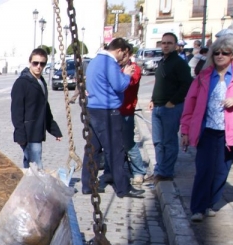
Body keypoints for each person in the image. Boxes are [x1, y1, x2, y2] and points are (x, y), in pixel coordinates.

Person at [180, 35, 233, 221]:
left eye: (225, 53)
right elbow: (190, 103)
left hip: (230, 132)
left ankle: (212, 202)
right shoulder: (204, 76)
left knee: (221, 171)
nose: (220, 56)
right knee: (204, 169)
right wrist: (186, 130)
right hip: (207, 130)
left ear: (232, 55)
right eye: (217, 52)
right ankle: (198, 208)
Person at [83, 38, 144, 198]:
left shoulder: (95, 61)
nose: (124, 58)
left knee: (93, 149)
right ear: (120, 50)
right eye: (124, 54)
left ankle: (88, 184)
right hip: (107, 111)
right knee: (115, 151)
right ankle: (123, 187)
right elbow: (120, 85)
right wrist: (126, 75)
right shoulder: (109, 63)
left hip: (93, 109)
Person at [149, 33, 193, 181]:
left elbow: (186, 84)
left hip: (171, 108)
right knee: (158, 141)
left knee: (169, 141)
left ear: (175, 45)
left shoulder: (179, 63)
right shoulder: (162, 62)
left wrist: (173, 101)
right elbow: (159, 83)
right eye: (163, 43)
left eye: (169, 43)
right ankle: (159, 169)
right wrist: (152, 99)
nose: (166, 45)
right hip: (157, 107)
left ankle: (166, 172)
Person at [10, 48, 62, 170]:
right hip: (29, 133)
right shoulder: (21, 83)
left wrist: (54, 130)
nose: (38, 66)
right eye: (35, 63)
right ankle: (37, 189)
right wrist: (20, 134)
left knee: (30, 167)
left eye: (42, 64)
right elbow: (16, 111)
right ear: (30, 62)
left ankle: (27, 188)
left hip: (37, 131)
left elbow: (45, 108)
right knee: (37, 166)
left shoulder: (41, 82)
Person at [119, 44, 148, 188]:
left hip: (126, 111)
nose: (122, 58)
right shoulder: (117, 67)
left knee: (128, 143)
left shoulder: (134, 68)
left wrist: (124, 74)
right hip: (114, 111)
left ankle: (139, 171)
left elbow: (130, 83)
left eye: (125, 55)